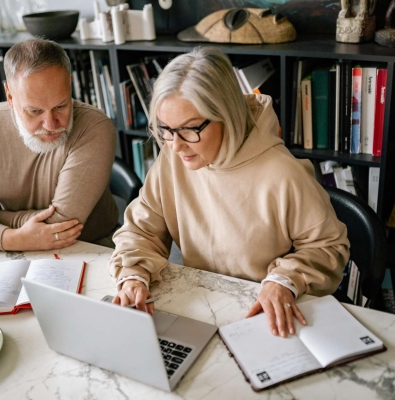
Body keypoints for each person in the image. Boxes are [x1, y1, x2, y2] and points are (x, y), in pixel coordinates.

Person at [109, 47, 350, 337]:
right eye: (165, 129)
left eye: (189, 129)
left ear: (226, 115)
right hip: (205, 310)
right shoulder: (173, 157)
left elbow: (329, 247)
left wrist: (283, 280)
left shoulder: (283, 173)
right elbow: (141, 230)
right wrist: (133, 274)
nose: (175, 145)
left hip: (266, 316)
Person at [0, 38, 118, 251]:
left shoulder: (95, 127)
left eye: (61, 105)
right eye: (34, 111)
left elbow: (61, 227)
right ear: (9, 96)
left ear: (70, 85)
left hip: (92, 247)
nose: (51, 124)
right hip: (15, 250)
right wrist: (14, 238)